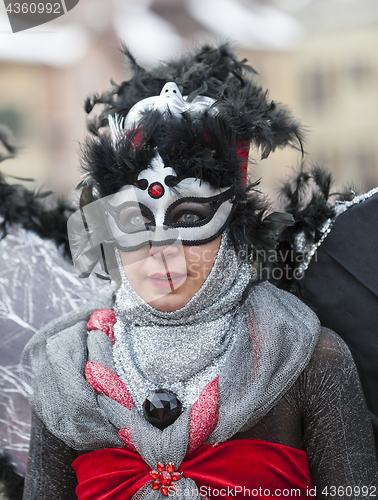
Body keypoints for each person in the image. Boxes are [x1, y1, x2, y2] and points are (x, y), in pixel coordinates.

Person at [21, 44, 377, 500]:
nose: (161, 250)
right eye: (136, 222)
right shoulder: (66, 367)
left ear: (233, 225)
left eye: (189, 218)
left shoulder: (308, 357)